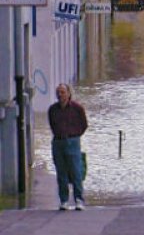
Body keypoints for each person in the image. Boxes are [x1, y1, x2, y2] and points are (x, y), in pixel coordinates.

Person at [48, 83, 88, 211]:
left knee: (76, 171)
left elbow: (84, 124)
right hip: (58, 142)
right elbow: (52, 125)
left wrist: (74, 135)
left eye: (63, 92)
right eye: (58, 92)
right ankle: (64, 200)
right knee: (61, 173)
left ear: (69, 93)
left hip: (72, 141)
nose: (60, 95)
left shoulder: (77, 108)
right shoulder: (53, 109)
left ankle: (79, 200)